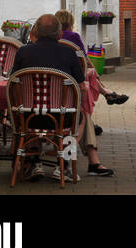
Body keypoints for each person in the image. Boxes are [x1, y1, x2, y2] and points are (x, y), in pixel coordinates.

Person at [10, 14, 114, 178]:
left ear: (35, 32)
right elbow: (81, 87)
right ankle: (64, 165)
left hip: (28, 117)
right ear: (59, 34)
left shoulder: (23, 52)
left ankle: (35, 162)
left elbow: (13, 82)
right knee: (81, 116)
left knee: (32, 107)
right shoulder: (69, 54)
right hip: (61, 118)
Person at [55, 9, 128, 106]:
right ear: (70, 22)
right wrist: (94, 69)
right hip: (73, 73)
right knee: (91, 72)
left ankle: (108, 93)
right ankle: (107, 93)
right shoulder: (74, 36)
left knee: (90, 72)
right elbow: (83, 56)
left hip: (57, 69)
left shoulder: (53, 36)